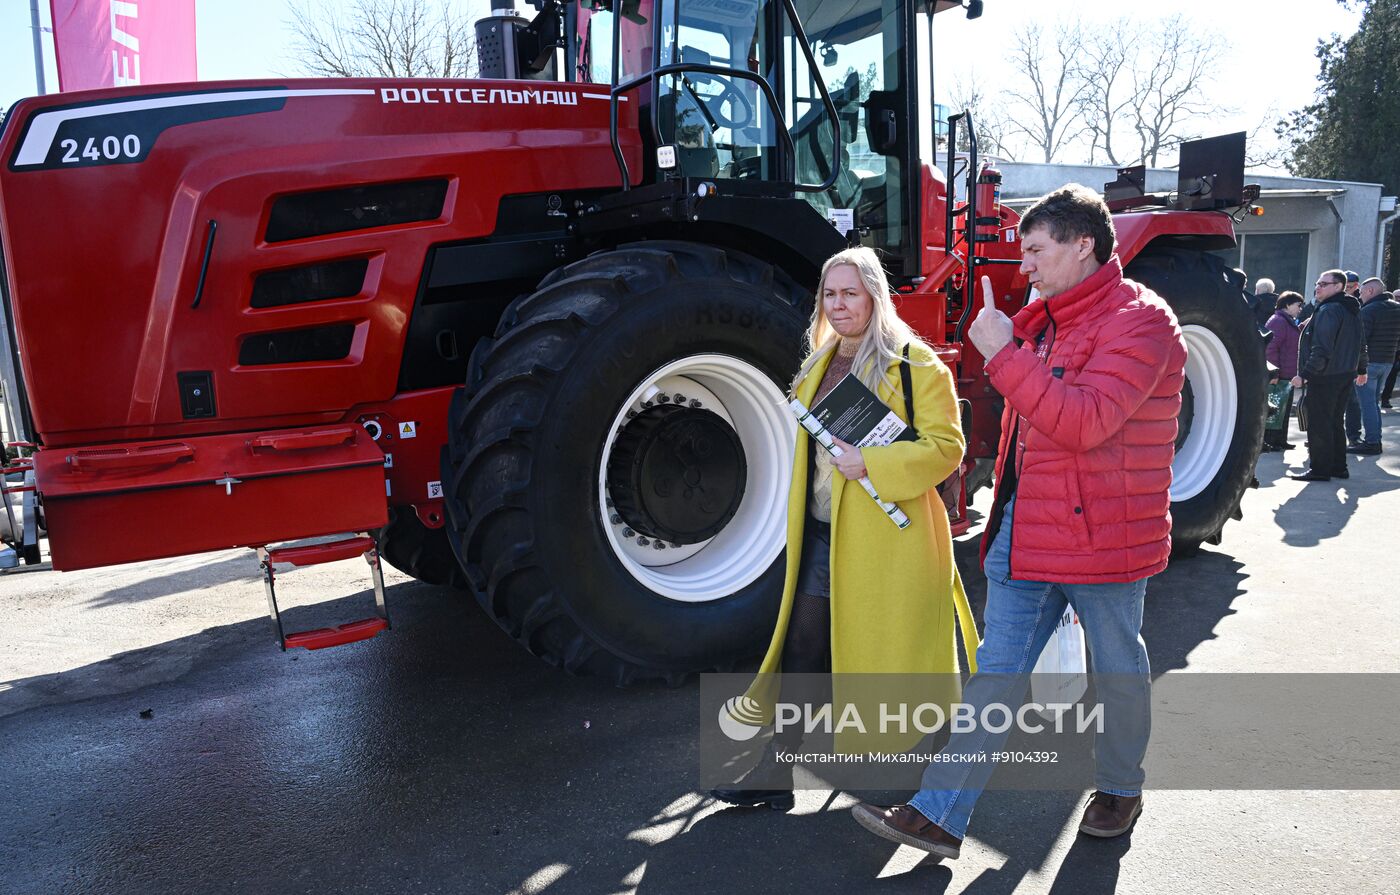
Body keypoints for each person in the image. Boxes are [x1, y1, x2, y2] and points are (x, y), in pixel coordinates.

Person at [852, 184, 1187, 857]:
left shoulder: (1143, 322)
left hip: (1104, 541)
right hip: (1024, 532)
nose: (1024, 263)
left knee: (1116, 667)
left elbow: (1084, 422)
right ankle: (938, 812)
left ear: (1082, 244)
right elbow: (1026, 430)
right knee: (994, 678)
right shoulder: (1047, 316)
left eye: (1035, 249)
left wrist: (1005, 351)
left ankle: (1121, 785)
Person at [709, 246, 969, 811]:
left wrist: (872, 464)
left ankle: (927, 780)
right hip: (824, 533)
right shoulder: (819, 360)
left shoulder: (916, 363)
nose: (840, 303)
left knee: (897, 654)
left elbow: (948, 449)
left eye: (851, 292)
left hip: (890, 542)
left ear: (875, 296)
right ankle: (777, 769)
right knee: (803, 648)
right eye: (831, 293)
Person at [1289, 269, 1367, 481]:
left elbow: (1323, 349)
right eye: (1317, 282)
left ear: (1338, 286)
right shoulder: (1350, 309)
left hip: (1326, 375)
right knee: (1334, 422)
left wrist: (1305, 374)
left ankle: (1321, 469)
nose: (1318, 287)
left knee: (1320, 424)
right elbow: (1360, 343)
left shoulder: (1329, 310)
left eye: (1324, 284)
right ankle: (1338, 467)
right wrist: (1361, 369)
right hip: (1344, 374)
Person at [1343, 279, 1400, 454]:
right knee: (1373, 404)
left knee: (1367, 404)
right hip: (1387, 362)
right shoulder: (1396, 308)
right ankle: (1374, 439)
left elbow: (1361, 340)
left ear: (1370, 291)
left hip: (1369, 364)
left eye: (1361, 292)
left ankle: (1372, 442)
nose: (1360, 295)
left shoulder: (1369, 310)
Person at [1263, 291, 1305, 452]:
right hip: (1280, 374)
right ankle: (1271, 441)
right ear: (1287, 305)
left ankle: (1280, 440)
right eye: (1298, 305)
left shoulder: (1287, 321)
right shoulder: (1279, 321)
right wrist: (1274, 373)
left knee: (1284, 410)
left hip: (1288, 374)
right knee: (1276, 409)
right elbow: (1271, 348)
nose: (1300, 308)